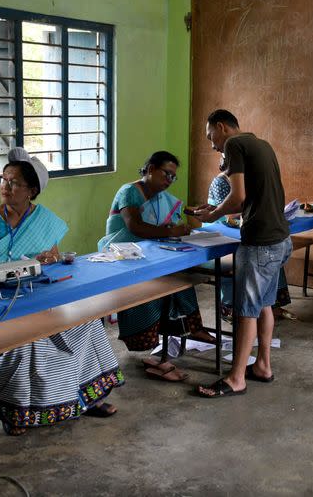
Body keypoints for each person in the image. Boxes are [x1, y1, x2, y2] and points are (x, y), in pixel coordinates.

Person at [0, 148, 122, 436]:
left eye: (14, 182)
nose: (5, 187)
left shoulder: (43, 220)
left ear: (31, 190)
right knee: (22, 343)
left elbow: (54, 260)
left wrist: (49, 260)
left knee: (86, 325)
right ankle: (17, 412)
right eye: (3, 180)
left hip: (37, 294)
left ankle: (85, 398)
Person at [194, 109, 293, 397]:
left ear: (222, 127)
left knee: (245, 311)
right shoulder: (261, 144)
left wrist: (212, 212)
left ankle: (236, 378)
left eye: (211, 136)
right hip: (279, 239)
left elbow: (238, 197)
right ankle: (263, 365)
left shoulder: (234, 145)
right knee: (263, 305)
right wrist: (213, 208)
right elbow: (244, 197)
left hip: (260, 242)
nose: (212, 145)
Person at [100, 151, 215, 380]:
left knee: (179, 281)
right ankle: (154, 346)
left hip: (150, 255)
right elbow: (135, 227)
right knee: (153, 291)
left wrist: (181, 226)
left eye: (173, 177)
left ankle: (185, 334)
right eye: (166, 174)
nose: (169, 180)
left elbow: (166, 225)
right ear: (151, 169)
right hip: (124, 257)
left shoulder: (161, 199)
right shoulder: (130, 192)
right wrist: (170, 231)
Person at [206, 156, 297, 322]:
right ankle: (231, 307)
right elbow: (227, 212)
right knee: (250, 259)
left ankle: (270, 304)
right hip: (222, 229)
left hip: (243, 227)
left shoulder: (244, 180)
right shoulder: (221, 182)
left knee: (272, 252)